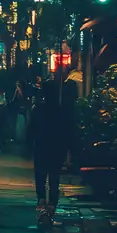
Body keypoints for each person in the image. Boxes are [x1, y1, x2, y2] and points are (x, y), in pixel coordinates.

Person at [30, 72, 77, 220]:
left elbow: (31, 129)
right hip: (56, 146)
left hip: (43, 145)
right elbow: (70, 130)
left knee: (42, 173)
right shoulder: (63, 111)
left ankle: (43, 198)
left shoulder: (40, 109)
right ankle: (50, 201)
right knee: (53, 175)